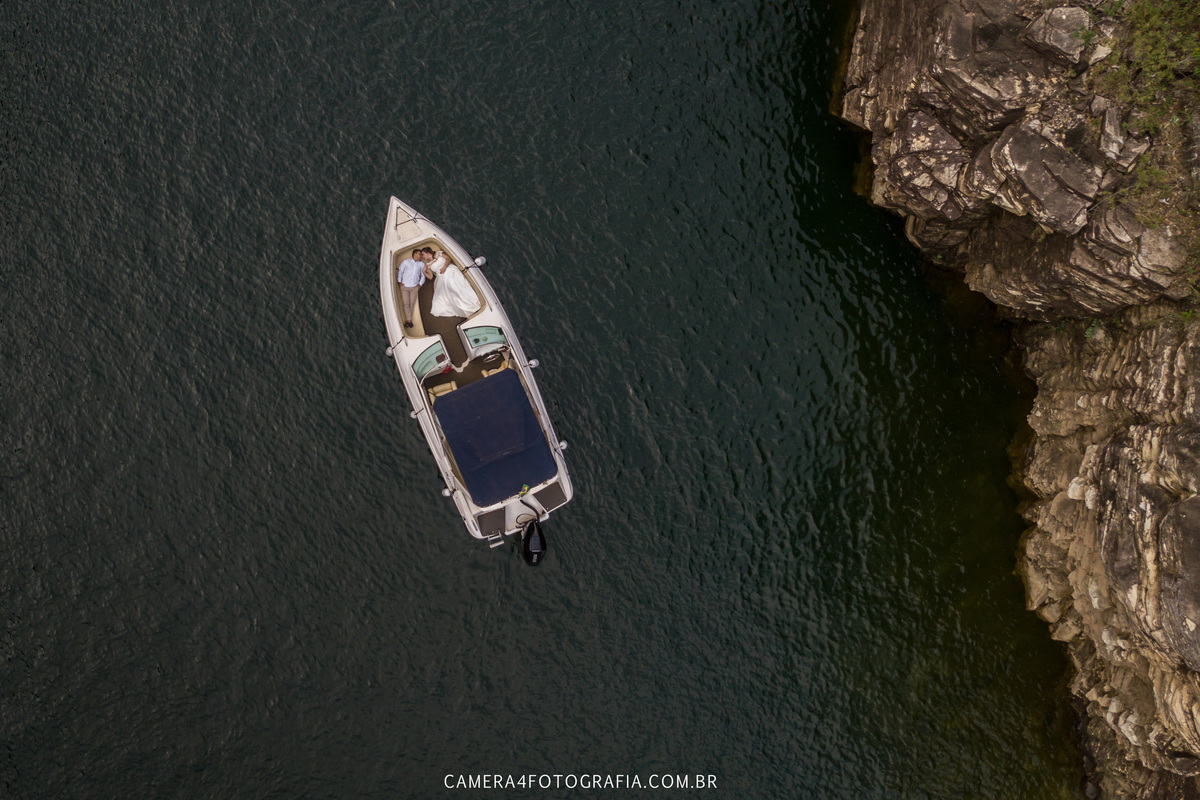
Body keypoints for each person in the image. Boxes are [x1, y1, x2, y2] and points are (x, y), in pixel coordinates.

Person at [424, 247, 481, 318]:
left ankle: (472, 303)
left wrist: (444, 267)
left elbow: (448, 258)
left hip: (450, 270)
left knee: (459, 286)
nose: (423, 257)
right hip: (441, 278)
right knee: (450, 293)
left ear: (427, 252)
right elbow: (431, 277)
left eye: (423, 254)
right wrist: (424, 272)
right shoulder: (428, 264)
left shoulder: (438, 253)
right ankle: (465, 309)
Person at [396, 248, 430, 329]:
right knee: (406, 303)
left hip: (414, 287)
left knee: (411, 304)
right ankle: (409, 320)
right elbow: (400, 272)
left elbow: (423, 275)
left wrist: (420, 285)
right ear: (415, 254)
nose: (421, 256)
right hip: (405, 286)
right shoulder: (406, 262)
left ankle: (408, 321)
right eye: (420, 254)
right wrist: (399, 282)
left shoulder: (421, 264)